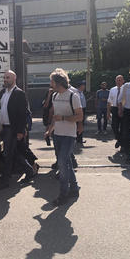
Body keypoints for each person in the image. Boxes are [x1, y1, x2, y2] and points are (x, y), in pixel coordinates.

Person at [0, 70, 35, 190]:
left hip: (13, 129)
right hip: (5, 128)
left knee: (8, 154)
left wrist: (21, 131)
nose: (5, 80)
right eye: (4, 78)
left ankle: (5, 180)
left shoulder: (19, 94)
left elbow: (22, 114)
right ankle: (29, 171)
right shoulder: (3, 92)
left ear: (14, 79)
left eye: (8, 78)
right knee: (12, 152)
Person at [45, 68, 83, 206]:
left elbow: (80, 116)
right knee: (66, 163)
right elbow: (55, 117)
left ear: (58, 82)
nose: (50, 83)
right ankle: (74, 189)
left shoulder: (73, 96)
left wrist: (64, 118)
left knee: (62, 163)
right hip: (58, 135)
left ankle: (63, 194)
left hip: (69, 135)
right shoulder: (55, 96)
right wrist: (50, 130)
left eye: (52, 81)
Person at [107, 75, 125, 150]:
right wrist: (108, 113)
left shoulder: (126, 89)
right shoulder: (112, 89)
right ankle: (119, 140)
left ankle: (123, 146)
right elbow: (109, 102)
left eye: (120, 80)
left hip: (124, 109)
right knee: (114, 126)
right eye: (117, 80)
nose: (119, 81)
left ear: (123, 81)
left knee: (123, 128)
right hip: (114, 109)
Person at [76, 80, 87, 145]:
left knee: (81, 124)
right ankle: (78, 139)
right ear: (80, 86)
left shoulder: (81, 92)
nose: (84, 86)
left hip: (83, 109)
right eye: (83, 85)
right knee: (79, 124)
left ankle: (80, 138)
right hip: (79, 110)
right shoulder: (76, 93)